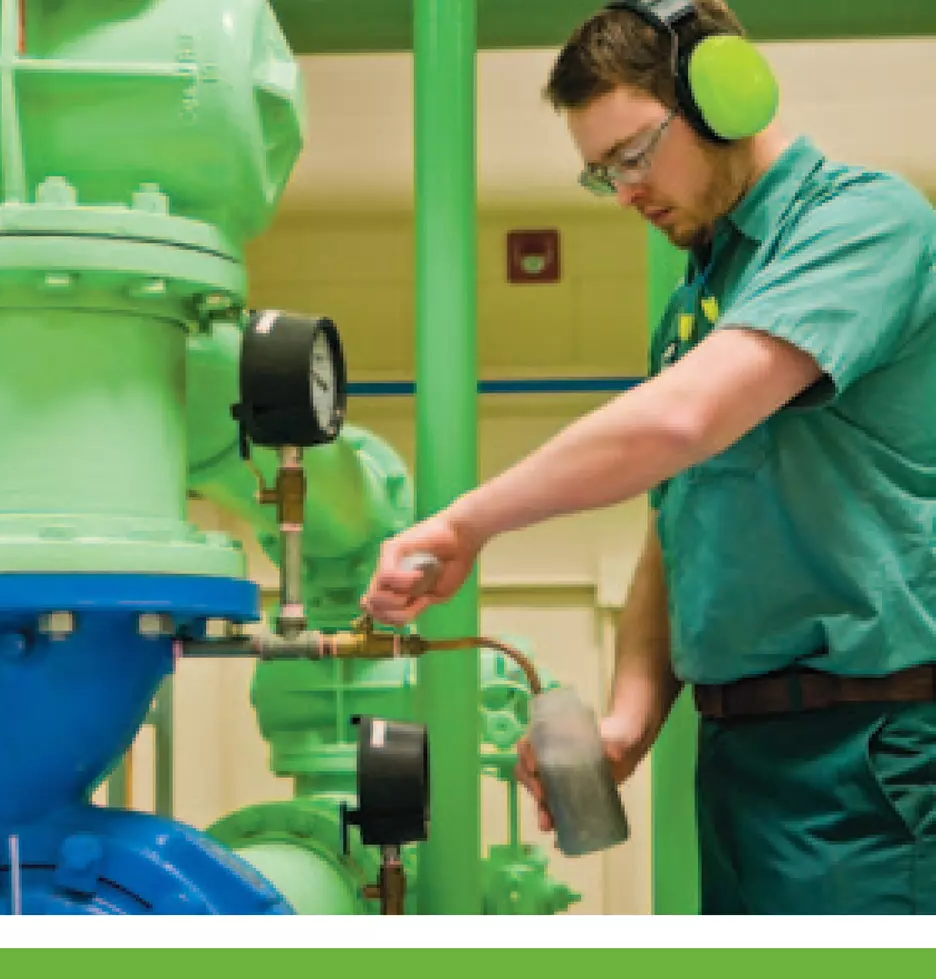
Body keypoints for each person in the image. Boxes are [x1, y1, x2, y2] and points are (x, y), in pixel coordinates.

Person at [365, 0, 936, 915]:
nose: (627, 192)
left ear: (724, 99)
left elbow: (683, 424)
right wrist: (630, 723)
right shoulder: (695, 306)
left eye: (632, 156)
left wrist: (470, 520)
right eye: (602, 176)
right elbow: (680, 528)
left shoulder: (864, 224)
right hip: (740, 759)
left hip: (870, 751)